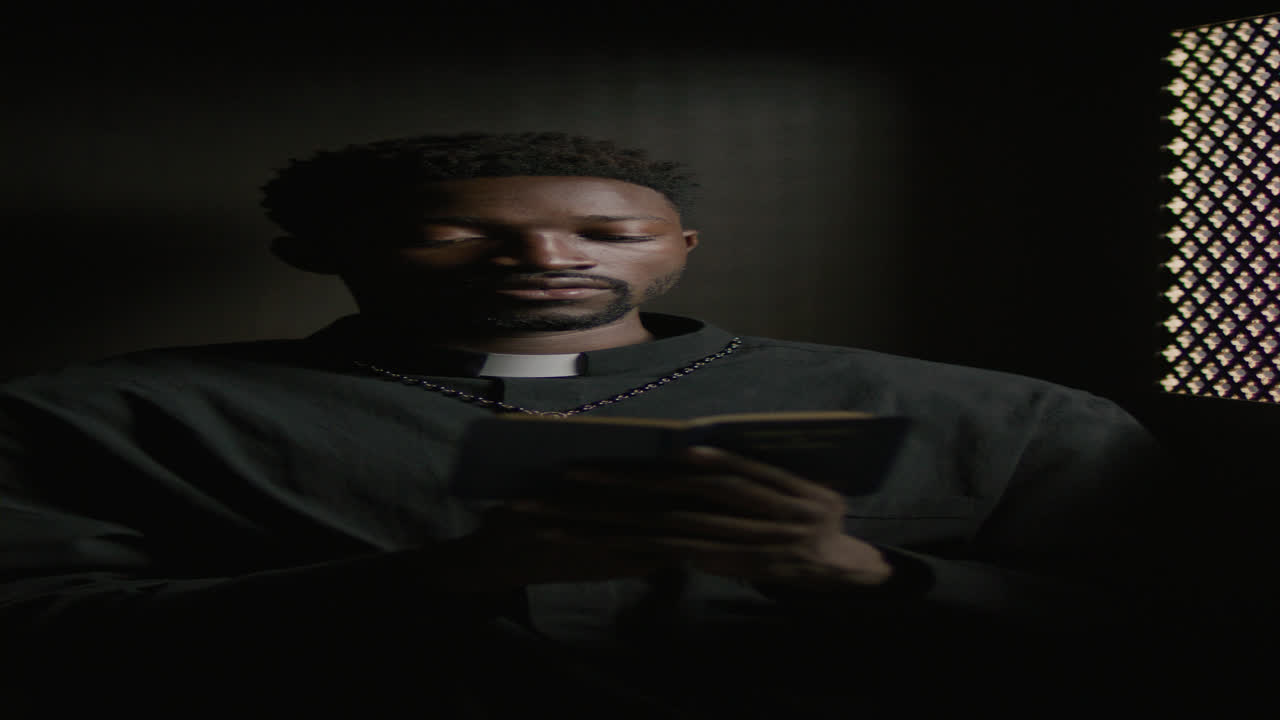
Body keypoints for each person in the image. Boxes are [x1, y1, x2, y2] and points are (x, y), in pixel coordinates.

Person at [1, 131, 1184, 717]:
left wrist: (863, 573)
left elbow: (1162, 644)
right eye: (459, 231)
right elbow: (44, 641)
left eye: (609, 231)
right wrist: (443, 580)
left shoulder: (1003, 417)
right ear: (319, 254)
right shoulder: (107, 418)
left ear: (678, 251)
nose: (547, 257)